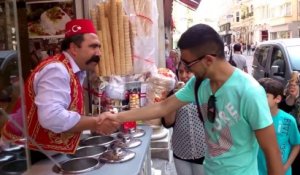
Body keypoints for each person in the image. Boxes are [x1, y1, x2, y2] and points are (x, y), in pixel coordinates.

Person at [102, 24, 284, 175]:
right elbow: (163, 107)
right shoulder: (199, 83)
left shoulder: (249, 92)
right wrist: (118, 118)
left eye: (188, 64)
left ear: (208, 60)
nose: (184, 69)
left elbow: (272, 151)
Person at [1, 19, 120, 157]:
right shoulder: (57, 69)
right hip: (24, 154)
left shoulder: (73, 69)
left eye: (99, 47)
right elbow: (52, 117)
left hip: (40, 151)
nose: (99, 53)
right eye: (93, 47)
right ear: (74, 48)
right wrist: (95, 122)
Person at [162, 62, 206, 175]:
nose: (184, 75)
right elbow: (168, 122)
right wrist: (175, 97)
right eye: (181, 71)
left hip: (204, 151)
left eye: (188, 71)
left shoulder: (203, 91)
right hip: (181, 150)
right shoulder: (173, 93)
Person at [257, 78, 300, 175]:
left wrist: (285, 167)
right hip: (257, 171)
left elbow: (297, 144)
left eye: (265, 96)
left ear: (277, 99)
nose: (259, 99)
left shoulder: (288, 120)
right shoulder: (253, 117)